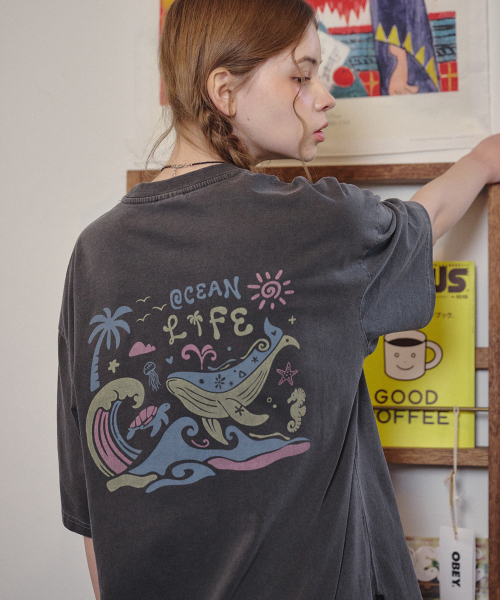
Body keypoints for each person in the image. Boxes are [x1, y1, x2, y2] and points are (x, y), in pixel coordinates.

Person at [57, 0, 500, 598]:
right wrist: (483, 161)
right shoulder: (322, 224)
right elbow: (425, 220)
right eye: (300, 75)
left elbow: (93, 500)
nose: (325, 97)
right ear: (224, 90)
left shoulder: (96, 250)